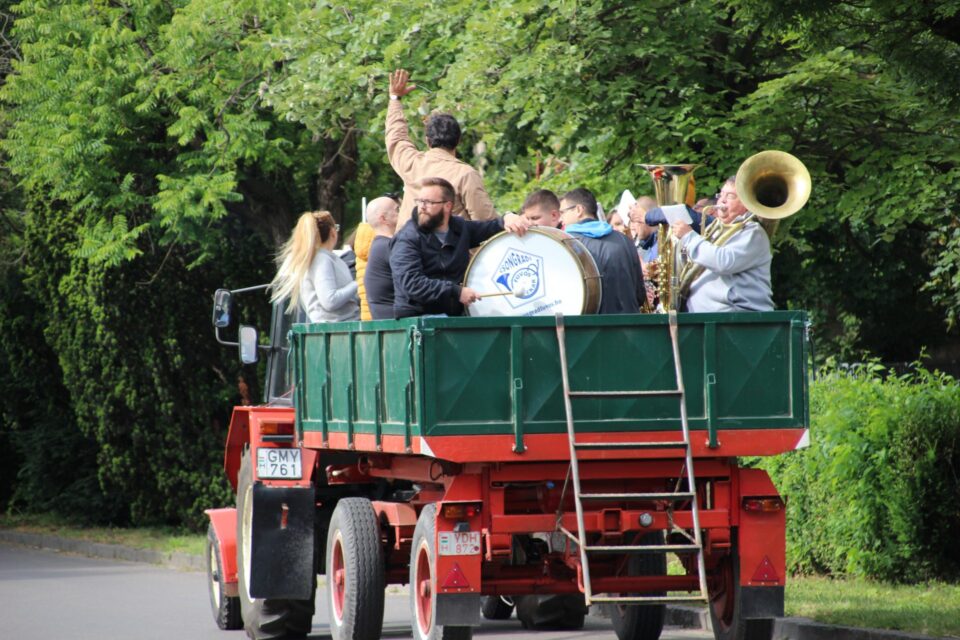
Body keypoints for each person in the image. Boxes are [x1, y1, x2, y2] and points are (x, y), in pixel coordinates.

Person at [390, 177, 529, 318]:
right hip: (418, 318)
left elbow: (492, 227)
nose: (422, 207)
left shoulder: (460, 228)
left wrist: (509, 217)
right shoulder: (407, 238)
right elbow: (413, 284)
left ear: (447, 206)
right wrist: (456, 292)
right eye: (420, 201)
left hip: (453, 315)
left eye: (429, 202)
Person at [386, 69, 496, 228]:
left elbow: (395, 137)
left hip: (408, 251)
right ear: (458, 140)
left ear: (427, 141)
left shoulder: (411, 164)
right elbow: (486, 223)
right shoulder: (465, 175)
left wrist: (395, 99)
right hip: (448, 251)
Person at [670, 176, 773, 312]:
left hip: (736, 318)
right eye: (721, 194)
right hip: (710, 320)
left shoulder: (753, 232)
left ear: (746, 203)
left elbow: (723, 262)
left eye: (730, 196)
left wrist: (689, 237)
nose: (722, 200)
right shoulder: (715, 229)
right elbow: (693, 264)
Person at [559, 188, 645, 314]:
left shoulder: (566, 244)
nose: (561, 219)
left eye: (563, 212)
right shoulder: (625, 240)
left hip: (588, 329)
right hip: (629, 326)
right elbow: (640, 295)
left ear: (578, 210)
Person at [271, 211, 360, 322]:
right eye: (336, 228)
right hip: (339, 328)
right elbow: (330, 301)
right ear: (333, 232)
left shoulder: (321, 258)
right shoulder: (321, 259)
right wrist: (359, 283)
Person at [364, 196, 401, 319]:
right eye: (397, 210)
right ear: (383, 218)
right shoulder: (388, 247)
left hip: (393, 323)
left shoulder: (380, 246)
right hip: (399, 324)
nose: (401, 213)